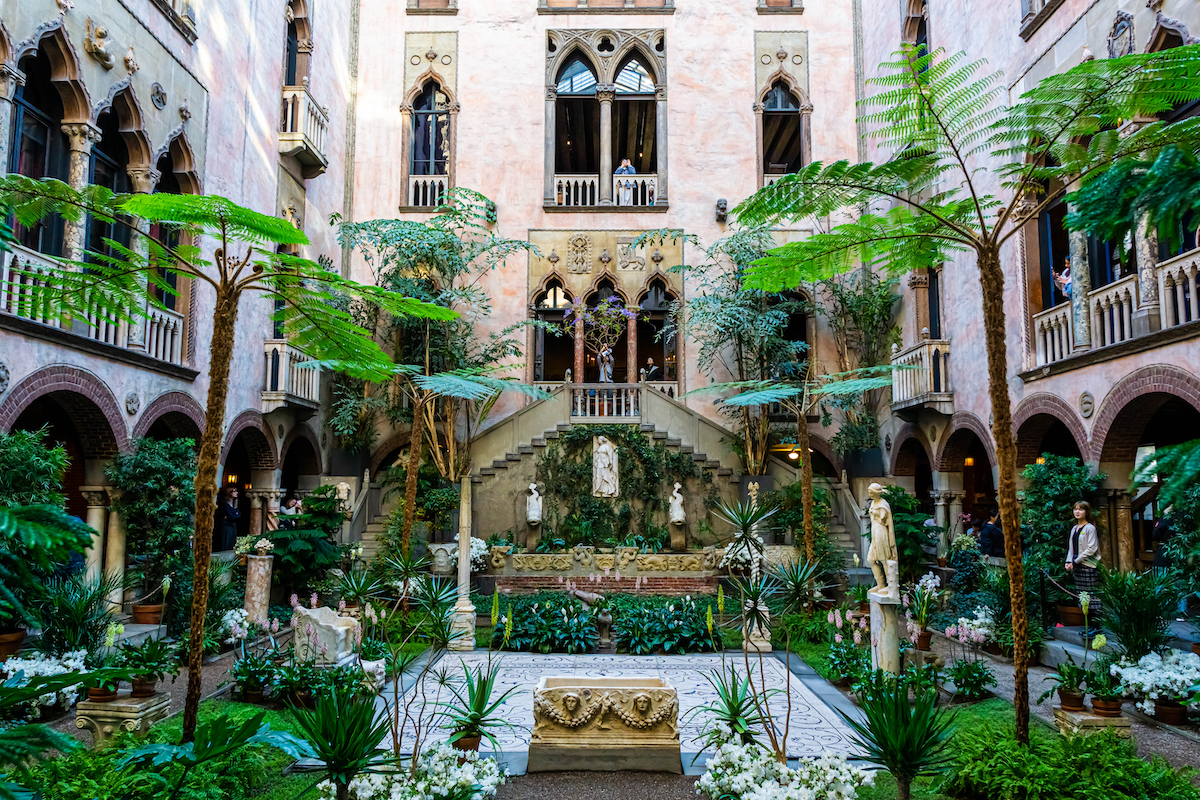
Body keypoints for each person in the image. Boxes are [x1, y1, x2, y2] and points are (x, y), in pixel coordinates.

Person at [1065, 500, 1101, 627]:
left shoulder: (1090, 528)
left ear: (1086, 512)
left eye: (1081, 509)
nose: (1077, 511)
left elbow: (1092, 548)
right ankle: (1088, 626)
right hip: (1078, 566)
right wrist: (1069, 561)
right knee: (1083, 598)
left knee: (1092, 599)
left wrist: (1075, 561)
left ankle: (1096, 627)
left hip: (1089, 566)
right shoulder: (1074, 528)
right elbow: (1071, 548)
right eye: (1075, 509)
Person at [215, 486, 241, 551]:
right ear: (230, 493)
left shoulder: (235, 503)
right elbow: (231, 514)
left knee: (232, 543)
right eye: (235, 491)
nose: (237, 493)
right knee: (226, 543)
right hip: (226, 526)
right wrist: (234, 513)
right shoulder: (224, 503)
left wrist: (232, 515)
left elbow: (238, 514)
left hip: (232, 525)